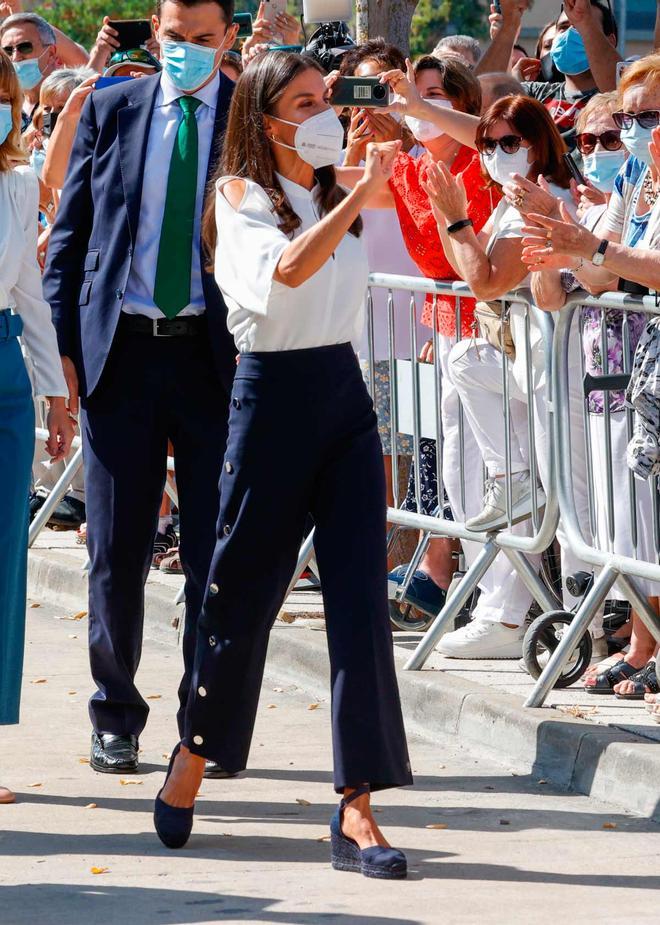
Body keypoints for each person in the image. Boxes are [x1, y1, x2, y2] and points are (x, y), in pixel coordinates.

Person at [153, 52, 412, 879]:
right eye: (305, 101)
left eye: (326, 97)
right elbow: (285, 273)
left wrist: (378, 175)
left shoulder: (337, 189)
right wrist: (360, 197)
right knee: (241, 595)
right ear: (266, 120)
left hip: (341, 394)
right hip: (271, 401)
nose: (324, 111)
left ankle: (358, 805)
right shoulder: (240, 197)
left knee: (361, 603)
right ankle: (196, 750)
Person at [43, 0, 240, 777]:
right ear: (154, 33)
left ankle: (205, 717)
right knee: (117, 547)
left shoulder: (248, 117)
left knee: (212, 549)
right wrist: (60, 346)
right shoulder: (114, 108)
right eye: (173, 36)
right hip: (120, 354)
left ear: (227, 39)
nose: (185, 51)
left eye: (202, 39)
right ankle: (115, 713)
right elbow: (72, 233)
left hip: (213, 358)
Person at [404, 88, 590, 655]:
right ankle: (506, 611)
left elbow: (484, 278)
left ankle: (587, 623)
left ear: (539, 143)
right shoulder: (511, 197)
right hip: (523, 359)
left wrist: (454, 214)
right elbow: (462, 263)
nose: (495, 152)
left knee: (576, 499)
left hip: (563, 367)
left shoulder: (547, 195)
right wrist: (447, 211)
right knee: (466, 366)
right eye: (488, 145)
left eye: (510, 143)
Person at [521, 56, 660, 697]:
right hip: (626, 369)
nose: (634, 132)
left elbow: (625, 264)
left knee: (645, 517)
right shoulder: (635, 177)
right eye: (624, 120)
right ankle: (641, 641)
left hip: (639, 361)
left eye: (646, 118)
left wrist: (589, 249)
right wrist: (565, 245)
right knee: (625, 520)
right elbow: (593, 279)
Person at [0, 48, 73, 803]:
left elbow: (29, 293)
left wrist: (56, 396)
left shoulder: (19, 186)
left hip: (4, 382)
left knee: (0, 564)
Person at [485, 0, 620, 147]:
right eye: (563, 27)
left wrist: (584, 20)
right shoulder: (536, 93)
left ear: (610, 40)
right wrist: (506, 32)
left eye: (580, 25)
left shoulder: (617, 99)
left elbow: (621, 88)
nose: (569, 34)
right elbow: (489, 105)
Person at [0, 13, 87, 128]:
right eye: (8, 51)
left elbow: (81, 58)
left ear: (51, 53)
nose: (15, 57)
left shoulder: (67, 99)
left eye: (25, 47)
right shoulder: (6, 104)